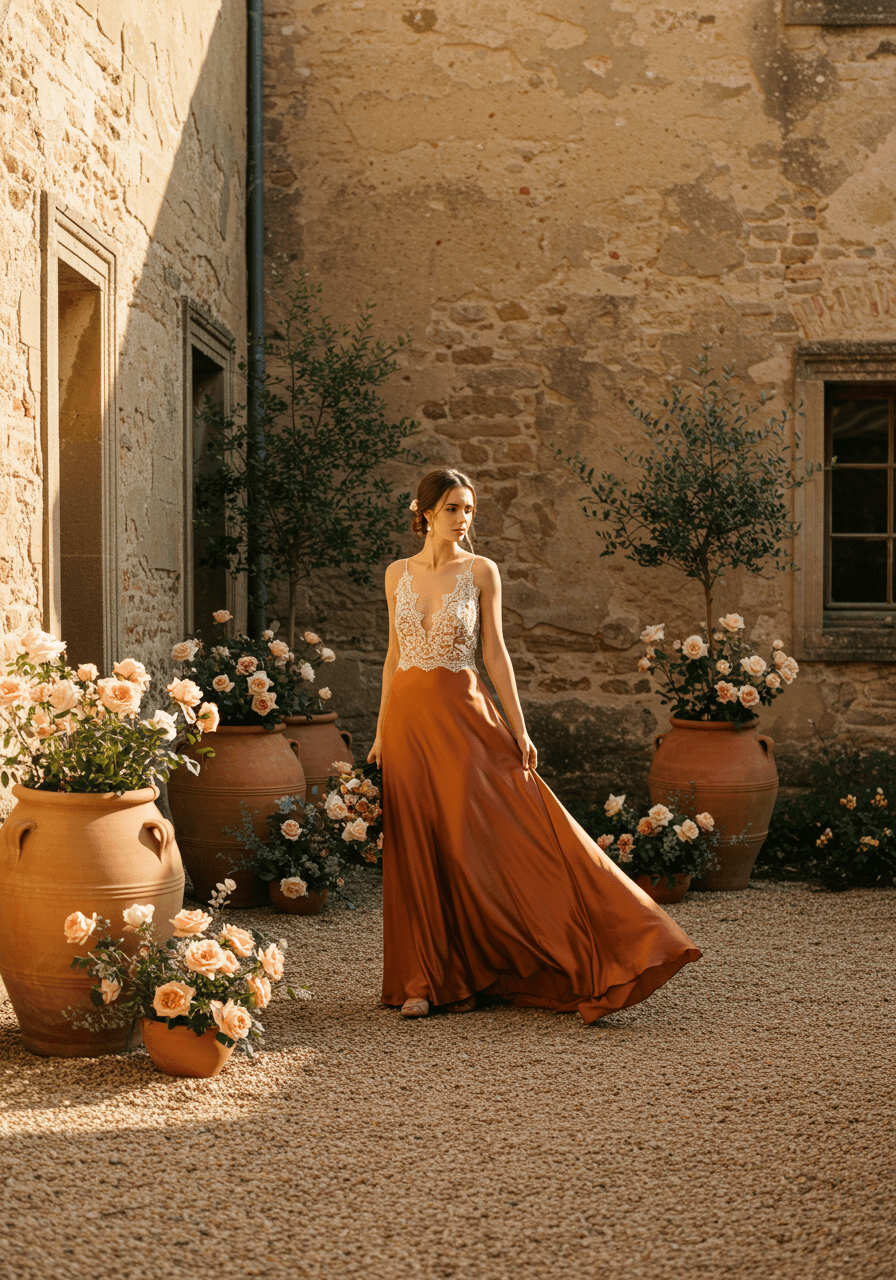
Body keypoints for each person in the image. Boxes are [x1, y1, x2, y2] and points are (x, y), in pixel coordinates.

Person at [368, 467, 701, 1020]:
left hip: (464, 719)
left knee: (500, 834)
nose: (464, 519)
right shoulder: (395, 574)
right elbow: (392, 656)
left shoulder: (481, 572)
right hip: (406, 724)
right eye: (454, 508)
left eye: (470, 509)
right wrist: (380, 731)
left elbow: (495, 655)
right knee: (417, 846)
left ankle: (613, 941)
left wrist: (519, 729)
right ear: (425, 512)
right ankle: (421, 980)